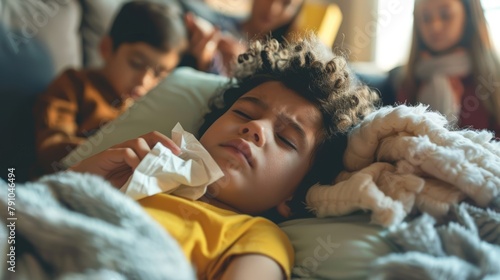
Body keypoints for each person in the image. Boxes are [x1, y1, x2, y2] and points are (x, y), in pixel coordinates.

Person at [69, 35, 380, 279]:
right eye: (244, 112)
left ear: (293, 194)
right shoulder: (129, 175)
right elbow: (17, 231)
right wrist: (75, 180)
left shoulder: (254, 237)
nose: (254, 127)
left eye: (285, 138)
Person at [33, 1, 188, 175]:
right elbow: (50, 147)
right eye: (136, 64)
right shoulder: (74, 84)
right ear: (106, 48)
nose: (144, 80)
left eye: (159, 74)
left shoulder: (151, 104)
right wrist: (113, 152)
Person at [396, 0, 500, 136]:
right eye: (426, 17)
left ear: (468, 15)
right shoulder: (409, 80)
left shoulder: (492, 79)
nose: (435, 26)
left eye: (445, 15)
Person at [181, 0, 304, 75]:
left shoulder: (282, 65)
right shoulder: (212, 22)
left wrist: (208, 62)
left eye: (286, 3)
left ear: (295, 12)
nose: (272, 8)